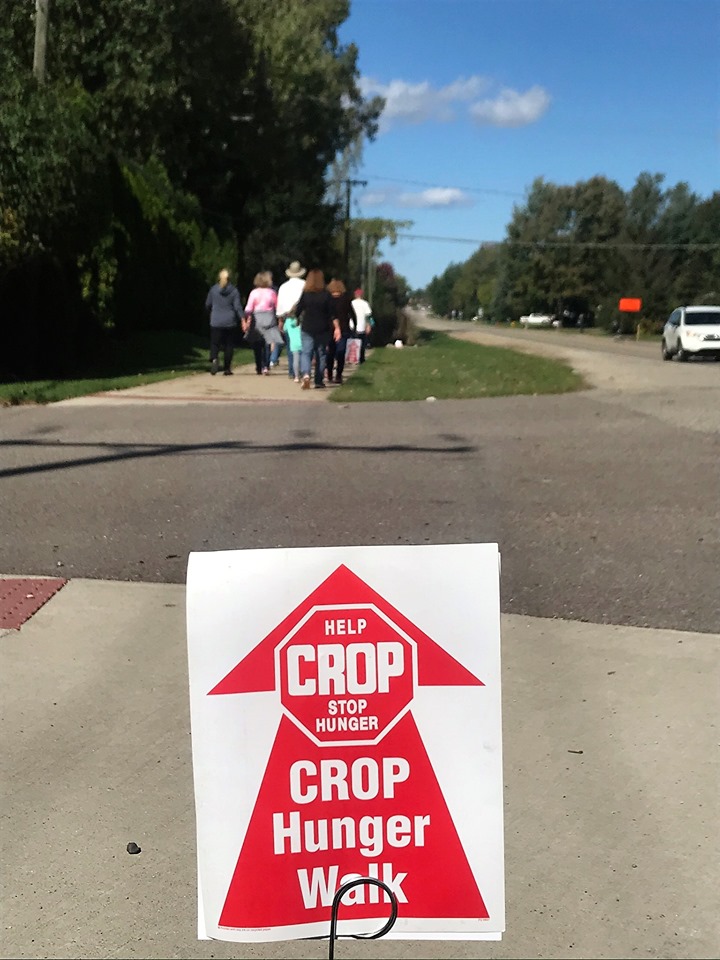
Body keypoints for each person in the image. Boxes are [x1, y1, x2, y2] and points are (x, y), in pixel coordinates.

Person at [294, 268, 338, 390]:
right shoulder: (326, 295)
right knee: (321, 354)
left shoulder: (306, 294)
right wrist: (337, 327)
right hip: (323, 328)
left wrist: (296, 318)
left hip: (307, 326)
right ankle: (319, 380)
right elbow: (332, 313)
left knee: (306, 352)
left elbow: (298, 309)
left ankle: (306, 374)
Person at [205, 268, 243, 376]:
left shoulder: (213, 290)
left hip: (216, 320)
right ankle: (227, 368)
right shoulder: (234, 291)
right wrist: (242, 318)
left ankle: (214, 359)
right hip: (229, 321)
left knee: (215, 343)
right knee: (229, 345)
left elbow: (208, 304)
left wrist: (211, 312)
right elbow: (237, 307)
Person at [243, 271, 282, 374]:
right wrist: (279, 319)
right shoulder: (272, 292)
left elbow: (248, 308)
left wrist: (247, 318)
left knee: (257, 343)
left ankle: (259, 365)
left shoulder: (254, 293)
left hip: (257, 317)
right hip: (269, 316)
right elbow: (277, 306)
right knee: (267, 342)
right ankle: (266, 365)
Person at [276, 261, 306, 380]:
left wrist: (280, 320)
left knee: (290, 345)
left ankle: (292, 370)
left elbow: (280, 305)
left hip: (288, 317)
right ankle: (302, 369)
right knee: (303, 344)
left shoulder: (283, 287)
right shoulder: (305, 284)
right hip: (303, 317)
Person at [326, 279, 357, 385]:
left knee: (330, 352)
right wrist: (355, 326)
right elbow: (352, 314)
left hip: (329, 329)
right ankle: (338, 374)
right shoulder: (345, 299)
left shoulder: (328, 299)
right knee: (341, 352)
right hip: (343, 329)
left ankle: (329, 373)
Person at [351, 288, 373, 363]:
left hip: (352, 326)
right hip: (362, 326)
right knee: (362, 344)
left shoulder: (351, 303)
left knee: (352, 343)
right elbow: (368, 316)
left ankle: (352, 358)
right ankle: (361, 359)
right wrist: (369, 325)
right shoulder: (365, 303)